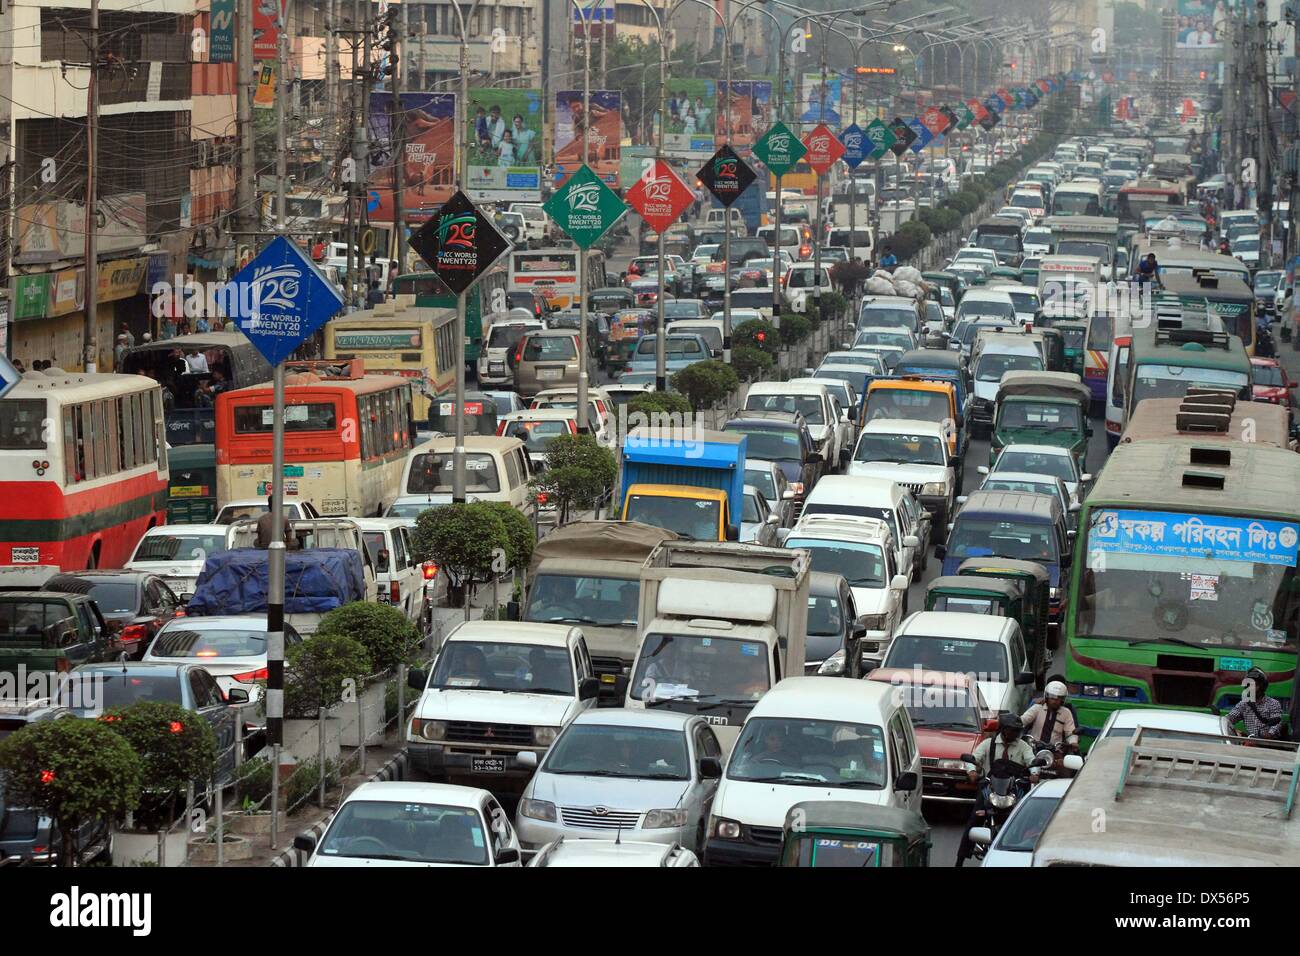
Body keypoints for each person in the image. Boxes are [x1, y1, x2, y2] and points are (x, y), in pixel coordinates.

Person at [955, 713, 1036, 866]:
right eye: (1011, 730)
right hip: (990, 789)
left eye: (1016, 730)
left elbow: (1032, 761)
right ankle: (960, 859)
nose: (1014, 733)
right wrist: (972, 771)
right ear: (1003, 729)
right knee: (974, 819)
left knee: (1026, 819)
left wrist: (1034, 773)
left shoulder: (1024, 746)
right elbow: (974, 758)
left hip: (1014, 789)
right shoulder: (988, 744)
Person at [1225, 667, 1285, 740]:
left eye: (1255, 685)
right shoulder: (1244, 704)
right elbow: (1229, 718)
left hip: (1269, 743)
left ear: (1263, 686)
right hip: (1251, 742)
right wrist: (1224, 723)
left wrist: (1269, 734)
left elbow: (1277, 723)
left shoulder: (1273, 703)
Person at [1021, 680, 1079, 750]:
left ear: (1063, 699)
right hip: (1034, 748)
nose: (1055, 701)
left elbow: (1070, 732)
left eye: (1059, 698)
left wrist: (1073, 742)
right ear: (1046, 697)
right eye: (1052, 697)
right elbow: (1023, 720)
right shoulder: (1037, 708)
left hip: (1056, 750)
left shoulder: (1066, 713)